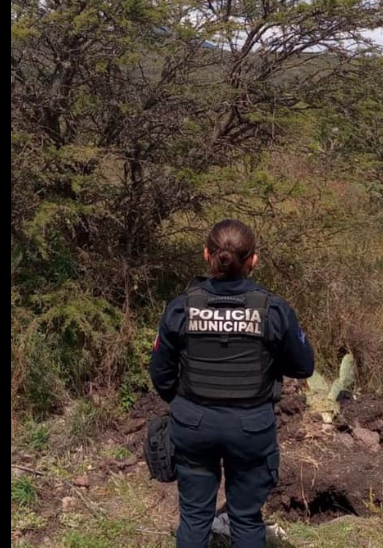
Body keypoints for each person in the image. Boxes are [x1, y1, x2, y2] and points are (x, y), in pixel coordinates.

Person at [150, 219, 314, 547]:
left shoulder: (180, 307)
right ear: (253, 260)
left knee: (194, 518)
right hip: (250, 426)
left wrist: (185, 406)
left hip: (193, 423)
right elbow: (304, 366)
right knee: (246, 520)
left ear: (206, 254)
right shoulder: (274, 310)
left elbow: (161, 373)